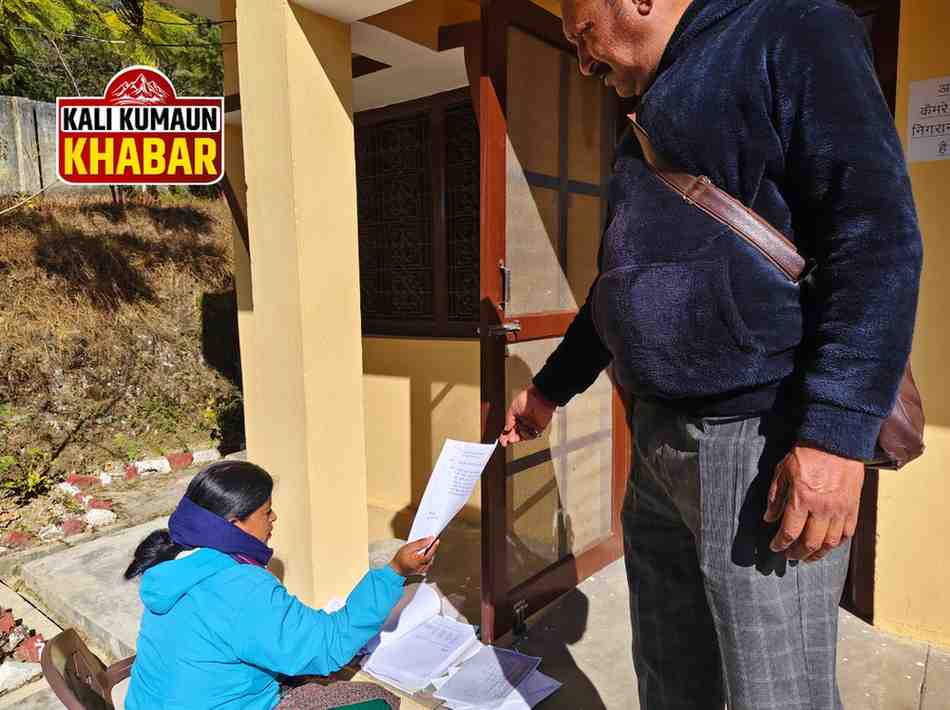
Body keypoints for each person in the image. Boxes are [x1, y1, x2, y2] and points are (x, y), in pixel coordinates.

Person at [500, 1, 923, 708]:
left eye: (583, 35)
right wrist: (550, 389)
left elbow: (876, 237)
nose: (583, 61)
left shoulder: (791, 28)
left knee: (774, 692)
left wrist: (834, 437)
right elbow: (618, 288)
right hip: (656, 441)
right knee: (668, 675)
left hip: (759, 443)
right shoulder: (644, 117)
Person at [123, 460, 439, 710]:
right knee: (376, 700)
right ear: (234, 524)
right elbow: (328, 645)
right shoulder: (241, 586)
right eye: (266, 512)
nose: (274, 519)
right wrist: (395, 571)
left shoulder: (175, 563)